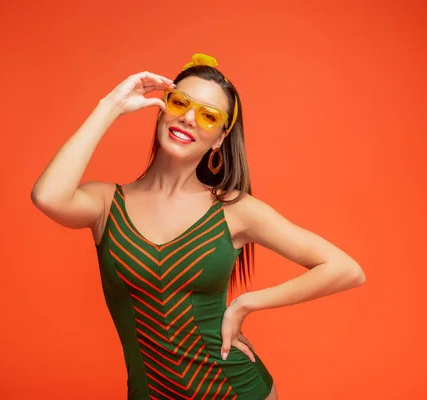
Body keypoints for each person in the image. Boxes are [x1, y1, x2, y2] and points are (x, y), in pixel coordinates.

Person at [31, 53, 366, 400]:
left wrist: (246, 303)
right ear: (162, 108)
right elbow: (47, 196)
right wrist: (110, 105)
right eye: (180, 102)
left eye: (208, 115)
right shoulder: (105, 204)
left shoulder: (232, 210)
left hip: (236, 391)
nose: (189, 118)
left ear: (220, 138)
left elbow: (346, 270)